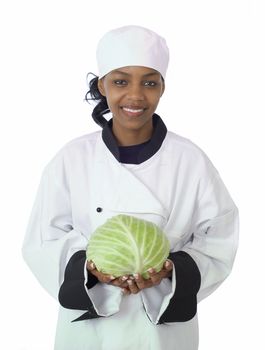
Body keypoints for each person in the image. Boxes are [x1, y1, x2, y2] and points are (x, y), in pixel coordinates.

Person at [22, 25, 239, 350]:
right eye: (121, 81)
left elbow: (220, 239)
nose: (136, 95)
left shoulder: (191, 160)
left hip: (163, 331)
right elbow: (42, 240)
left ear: (162, 87)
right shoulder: (71, 158)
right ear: (103, 85)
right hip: (88, 331)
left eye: (149, 82)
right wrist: (90, 269)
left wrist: (170, 271)